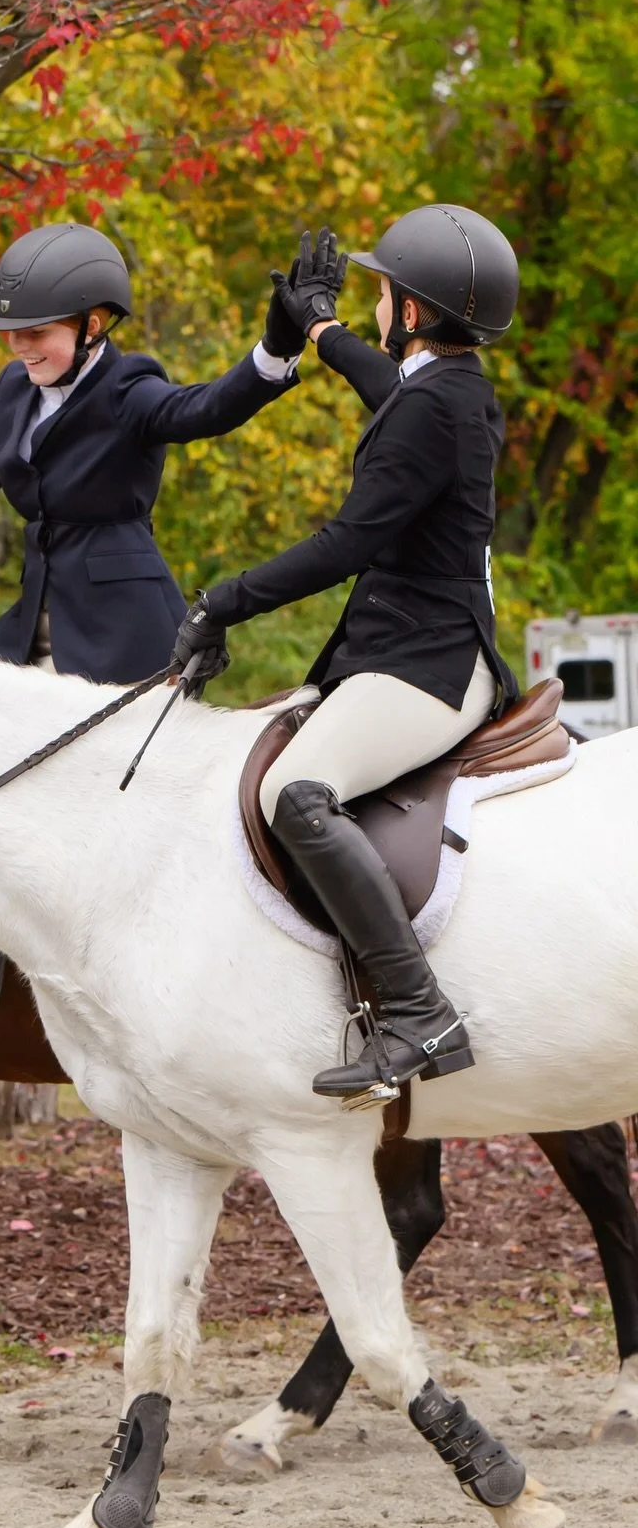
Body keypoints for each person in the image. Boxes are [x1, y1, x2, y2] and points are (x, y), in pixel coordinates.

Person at [0, 220, 306, 1089]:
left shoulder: (129, 389)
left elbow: (207, 410)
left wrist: (273, 349)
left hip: (115, 632)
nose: (22, 347)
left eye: (36, 332)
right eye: (14, 334)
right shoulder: (13, 392)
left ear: (94, 324)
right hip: (31, 627)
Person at [171, 205, 522, 1101]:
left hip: (428, 665)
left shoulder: (429, 411)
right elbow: (387, 386)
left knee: (297, 792)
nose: (374, 305)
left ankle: (417, 1009)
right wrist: (319, 327)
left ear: (410, 313)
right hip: (413, 647)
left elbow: (344, 544)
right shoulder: (453, 389)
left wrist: (226, 600)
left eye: (380, 294)